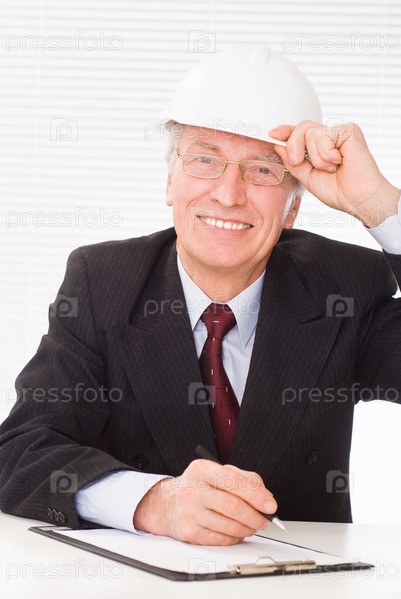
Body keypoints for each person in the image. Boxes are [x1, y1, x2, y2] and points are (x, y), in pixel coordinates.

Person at [0, 45, 400, 547]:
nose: (228, 195)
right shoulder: (102, 283)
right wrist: (152, 501)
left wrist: (381, 205)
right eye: (205, 160)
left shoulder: (342, 286)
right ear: (171, 181)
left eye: (263, 169)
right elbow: (19, 452)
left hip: (302, 579)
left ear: (294, 206)